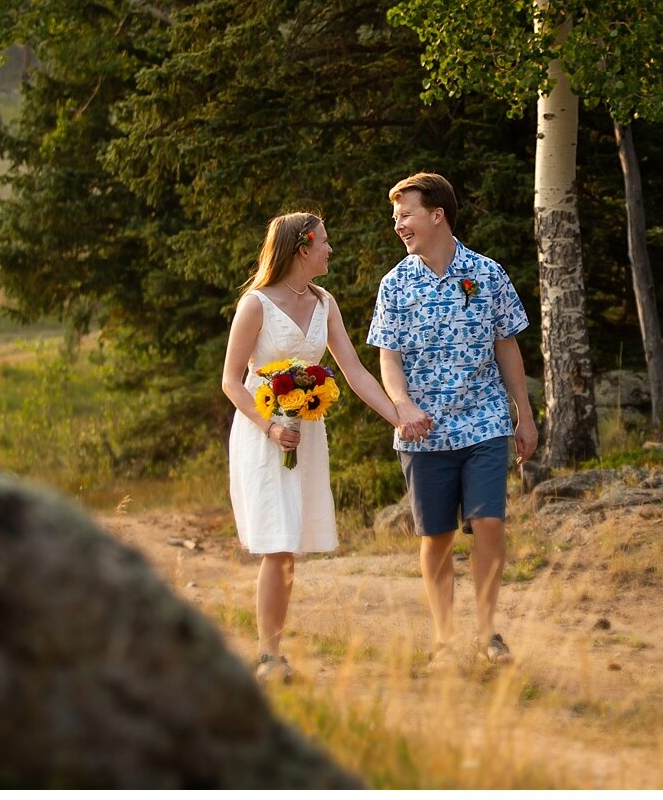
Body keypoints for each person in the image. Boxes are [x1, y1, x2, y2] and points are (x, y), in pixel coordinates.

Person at [222, 211, 404, 683]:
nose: (329, 249)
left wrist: (399, 418)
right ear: (302, 248)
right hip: (264, 433)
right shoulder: (256, 304)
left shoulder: (325, 302)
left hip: (307, 431)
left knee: (290, 546)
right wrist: (268, 427)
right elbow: (230, 382)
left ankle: (273, 653)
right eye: (323, 242)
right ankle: (268, 657)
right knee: (278, 544)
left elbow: (355, 372)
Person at [367, 172, 538, 668]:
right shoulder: (395, 284)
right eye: (395, 217)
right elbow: (388, 357)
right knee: (436, 537)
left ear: (436, 214)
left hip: (484, 422)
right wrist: (402, 405)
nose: (398, 224)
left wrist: (522, 416)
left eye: (406, 214)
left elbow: (507, 347)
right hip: (423, 432)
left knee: (489, 522)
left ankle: (488, 634)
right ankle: (444, 639)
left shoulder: (487, 274)